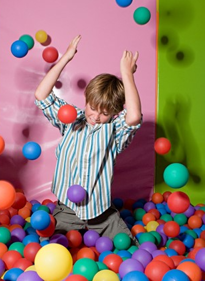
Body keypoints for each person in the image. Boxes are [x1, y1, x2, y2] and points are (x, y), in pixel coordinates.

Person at [34, 35, 142, 243]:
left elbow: (134, 116)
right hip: (67, 209)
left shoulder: (114, 132)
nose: (95, 116)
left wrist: (127, 74)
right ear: (86, 101)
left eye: (104, 113)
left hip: (102, 214)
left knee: (128, 249)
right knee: (51, 250)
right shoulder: (71, 119)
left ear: (115, 113)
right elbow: (41, 95)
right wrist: (65, 58)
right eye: (92, 108)